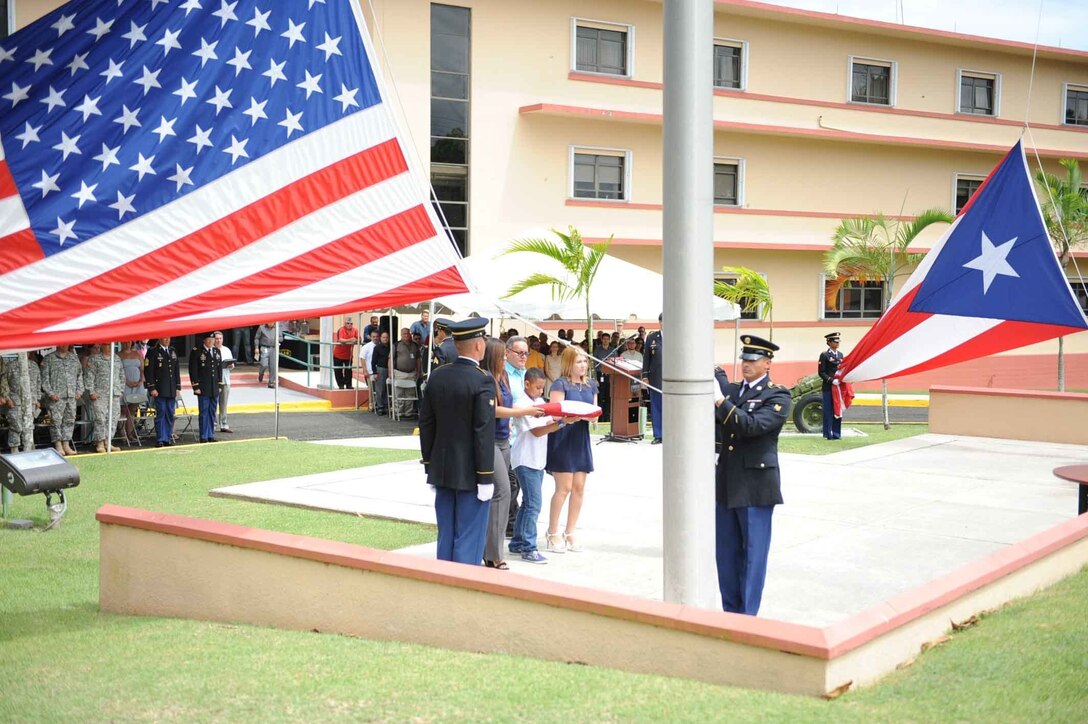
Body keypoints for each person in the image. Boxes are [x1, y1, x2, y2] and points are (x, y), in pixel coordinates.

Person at [713, 334, 791, 616]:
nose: (746, 364)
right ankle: (730, 613)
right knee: (726, 554)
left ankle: (747, 617)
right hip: (726, 482)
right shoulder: (733, 392)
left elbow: (753, 427)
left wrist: (721, 404)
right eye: (744, 358)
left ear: (767, 363)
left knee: (752, 555)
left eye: (753, 359)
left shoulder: (778, 395)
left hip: (755, 486)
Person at [419, 318, 496, 565]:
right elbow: (483, 431)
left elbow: (426, 425)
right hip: (472, 473)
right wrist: (485, 477)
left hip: (441, 469)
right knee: (468, 538)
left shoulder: (438, 376)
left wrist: (430, 465)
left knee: (446, 535)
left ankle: (443, 585)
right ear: (477, 346)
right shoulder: (482, 379)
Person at [483, 338, 544, 569]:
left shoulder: (505, 377)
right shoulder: (488, 378)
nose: (519, 357)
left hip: (505, 440)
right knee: (503, 492)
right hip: (491, 441)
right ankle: (494, 553)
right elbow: (493, 410)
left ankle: (495, 547)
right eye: (504, 355)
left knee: (506, 492)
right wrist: (526, 411)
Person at [509, 367, 572, 564]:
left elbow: (548, 421)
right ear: (526, 384)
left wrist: (565, 418)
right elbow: (537, 431)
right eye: (537, 388)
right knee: (534, 504)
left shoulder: (539, 403)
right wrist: (562, 423)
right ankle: (529, 547)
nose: (539, 391)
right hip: (525, 460)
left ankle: (518, 542)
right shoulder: (522, 404)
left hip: (537, 460)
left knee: (528, 503)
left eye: (541, 388)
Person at [544, 345, 598, 554]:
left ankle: (570, 531)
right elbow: (555, 413)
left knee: (579, 487)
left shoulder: (591, 385)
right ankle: (552, 531)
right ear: (569, 363)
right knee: (563, 487)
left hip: (580, 437)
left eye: (585, 361)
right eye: (578, 362)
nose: (582, 365)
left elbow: (595, 414)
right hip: (563, 435)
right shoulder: (560, 384)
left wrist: (589, 417)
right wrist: (571, 417)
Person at [42, 345, 84, 456]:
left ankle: (66, 444)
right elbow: (44, 379)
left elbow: (79, 375)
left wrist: (79, 390)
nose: (64, 345)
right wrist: (50, 393)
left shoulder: (74, 358)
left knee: (69, 420)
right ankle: (58, 445)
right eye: (62, 343)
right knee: (56, 421)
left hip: (71, 396)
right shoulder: (49, 358)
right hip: (56, 397)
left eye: (66, 343)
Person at [83, 343, 125, 453]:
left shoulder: (116, 359)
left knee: (113, 418)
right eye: (106, 345)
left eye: (111, 345)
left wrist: (121, 389)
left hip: (114, 394)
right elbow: (89, 376)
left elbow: (121, 375)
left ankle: (108, 441)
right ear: (102, 346)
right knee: (100, 418)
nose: (109, 347)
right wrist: (91, 391)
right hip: (99, 394)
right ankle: (100, 442)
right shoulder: (95, 359)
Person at [145, 338, 181, 447]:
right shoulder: (153, 351)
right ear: (160, 339)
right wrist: (152, 388)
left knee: (170, 413)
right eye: (164, 338)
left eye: (168, 338)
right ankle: (161, 438)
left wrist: (178, 386)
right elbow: (148, 371)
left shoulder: (172, 351)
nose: (167, 340)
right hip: (159, 389)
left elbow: (176, 370)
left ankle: (168, 437)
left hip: (171, 389)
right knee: (161, 413)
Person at [3, 352, 41, 452]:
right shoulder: (10, 366)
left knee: (28, 426)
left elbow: (38, 383)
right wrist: (7, 398)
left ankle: (28, 448)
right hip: (15, 401)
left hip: (30, 402)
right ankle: (14, 449)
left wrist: (37, 399)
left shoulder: (33, 365)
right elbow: (4, 383)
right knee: (16, 426)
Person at [189, 332, 222, 444]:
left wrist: (220, 384)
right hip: (203, 387)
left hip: (214, 387)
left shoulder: (217, 351)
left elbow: (219, 369)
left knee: (212, 412)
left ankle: (210, 434)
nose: (211, 342)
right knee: (204, 412)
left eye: (212, 340)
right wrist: (195, 386)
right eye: (208, 340)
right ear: (204, 340)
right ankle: (203, 435)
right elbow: (193, 370)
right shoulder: (197, 351)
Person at [642, 314, 664, 444]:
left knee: (670, 407)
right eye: (662, 321)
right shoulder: (651, 338)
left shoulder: (676, 335)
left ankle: (670, 433)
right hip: (655, 378)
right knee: (656, 406)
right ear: (659, 322)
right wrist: (645, 376)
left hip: (671, 379)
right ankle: (658, 435)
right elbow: (646, 358)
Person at [818, 332, 844, 440]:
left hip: (838, 387)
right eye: (834, 341)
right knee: (828, 411)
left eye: (838, 341)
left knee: (838, 410)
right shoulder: (824, 355)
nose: (837, 343)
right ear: (829, 342)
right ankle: (828, 433)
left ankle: (837, 434)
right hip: (829, 387)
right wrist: (831, 380)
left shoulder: (841, 355)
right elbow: (821, 372)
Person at [119, 342, 146, 442]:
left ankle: (130, 434)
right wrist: (126, 382)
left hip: (137, 384)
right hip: (124, 384)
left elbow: (142, 369)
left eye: (130, 342)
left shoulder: (137, 354)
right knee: (123, 409)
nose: (127, 344)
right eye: (126, 342)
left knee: (132, 410)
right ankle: (122, 434)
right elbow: (118, 371)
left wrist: (140, 380)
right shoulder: (119, 355)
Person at [391, 329, 421, 417]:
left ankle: (408, 412)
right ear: (401, 335)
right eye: (404, 334)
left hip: (412, 373)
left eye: (408, 333)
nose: (406, 335)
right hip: (399, 373)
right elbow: (390, 359)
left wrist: (418, 371)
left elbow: (418, 359)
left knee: (410, 394)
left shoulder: (415, 345)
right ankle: (398, 412)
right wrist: (390, 371)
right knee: (399, 393)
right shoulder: (396, 345)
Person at [214, 332, 235, 434]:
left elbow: (232, 364)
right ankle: (213, 425)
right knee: (213, 404)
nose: (218, 340)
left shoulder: (227, 350)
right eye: (217, 339)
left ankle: (224, 424)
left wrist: (231, 365)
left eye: (220, 338)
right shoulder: (212, 350)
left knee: (224, 404)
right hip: (214, 381)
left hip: (225, 379)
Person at [333, 318, 359, 390]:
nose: (349, 325)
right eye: (348, 323)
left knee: (348, 370)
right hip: (338, 354)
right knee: (338, 371)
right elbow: (340, 340)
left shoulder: (355, 330)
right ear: (345, 324)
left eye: (351, 323)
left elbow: (359, 338)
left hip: (349, 355)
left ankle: (348, 385)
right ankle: (341, 385)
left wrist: (356, 340)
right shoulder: (341, 329)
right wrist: (351, 340)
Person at [371, 331, 391, 415]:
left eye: (387, 337)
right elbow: (373, 362)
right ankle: (380, 407)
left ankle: (387, 406)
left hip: (389, 370)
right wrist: (375, 372)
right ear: (380, 338)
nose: (385, 339)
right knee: (380, 389)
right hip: (380, 369)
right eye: (383, 337)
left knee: (388, 389)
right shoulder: (377, 348)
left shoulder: (391, 347)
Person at [254, 322, 278, 388]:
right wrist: (256, 347)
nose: (270, 324)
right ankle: (261, 373)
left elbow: (281, 337)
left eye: (272, 322)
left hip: (273, 348)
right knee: (264, 364)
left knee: (273, 366)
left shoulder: (277, 327)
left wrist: (277, 339)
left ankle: (271, 382)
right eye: (269, 322)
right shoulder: (262, 327)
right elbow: (257, 338)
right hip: (264, 347)